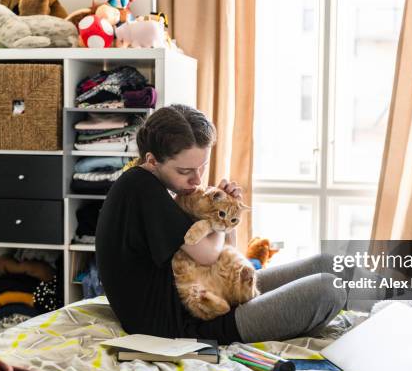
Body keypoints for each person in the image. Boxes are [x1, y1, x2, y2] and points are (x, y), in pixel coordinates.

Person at [96, 104, 346, 345]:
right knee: (327, 289)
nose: (197, 179)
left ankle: (384, 305)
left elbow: (225, 255)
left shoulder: (162, 190)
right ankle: (383, 305)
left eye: (202, 167)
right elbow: (206, 255)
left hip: (210, 289)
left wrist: (227, 214)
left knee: (324, 263)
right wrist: (221, 216)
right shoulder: (140, 188)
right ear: (152, 160)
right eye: (185, 171)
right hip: (185, 324)